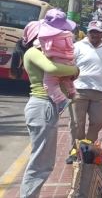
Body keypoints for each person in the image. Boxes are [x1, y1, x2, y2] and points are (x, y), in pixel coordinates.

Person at [18, 20, 79, 197]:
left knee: (44, 162)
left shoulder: (46, 54)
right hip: (42, 106)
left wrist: (71, 71)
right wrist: (74, 68)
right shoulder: (33, 52)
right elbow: (53, 69)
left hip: (46, 107)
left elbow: (67, 74)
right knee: (40, 164)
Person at [67, 20, 102, 164]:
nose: (94, 35)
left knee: (99, 121)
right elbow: (67, 66)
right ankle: (75, 151)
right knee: (77, 123)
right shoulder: (77, 46)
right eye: (92, 32)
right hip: (79, 90)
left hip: (101, 91)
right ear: (88, 32)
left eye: (97, 32)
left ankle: (86, 147)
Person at [37, 9, 77, 114]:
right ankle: (72, 92)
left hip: (58, 62)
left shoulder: (48, 37)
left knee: (49, 83)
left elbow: (48, 52)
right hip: (70, 61)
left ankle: (61, 101)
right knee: (66, 79)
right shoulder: (68, 35)